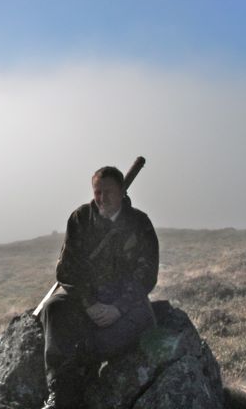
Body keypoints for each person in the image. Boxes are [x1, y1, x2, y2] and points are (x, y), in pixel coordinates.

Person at [39, 166, 159, 409]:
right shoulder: (80, 219)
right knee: (53, 308)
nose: (102, 198)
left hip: (123, 302)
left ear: (122, 191)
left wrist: (118, 308)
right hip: (88, 298)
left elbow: (146, 275)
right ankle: (60, 393)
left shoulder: (140, 223)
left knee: (143, 321)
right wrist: (89, 304)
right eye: (97, 192)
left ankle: (82, 364)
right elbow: (66, 271)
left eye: (108, 191)